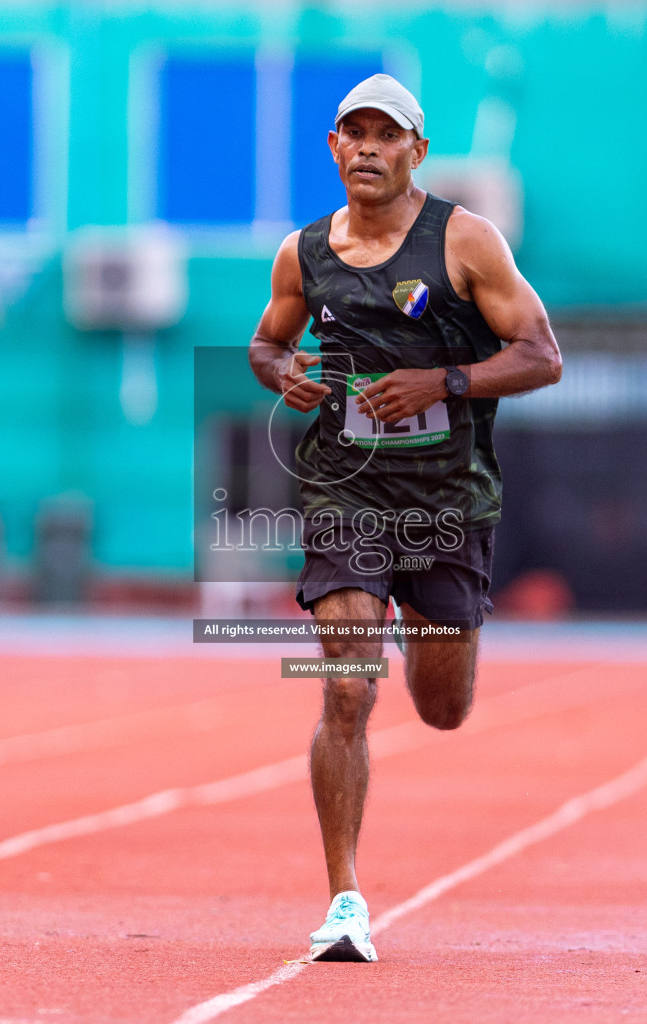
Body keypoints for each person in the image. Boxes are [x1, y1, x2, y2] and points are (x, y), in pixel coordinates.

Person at [248, 73, 561, 962]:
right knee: (347, 687)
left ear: (417, 151)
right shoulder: (303, 253)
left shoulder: (465, 241)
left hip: (447, 500)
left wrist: (443, 381)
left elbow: (542, 356)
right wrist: (286, 375)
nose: (370, 149)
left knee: (443, 707)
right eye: (356, 133)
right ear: (335, 147)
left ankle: (446, 638)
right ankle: (344, 900)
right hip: (346, 492)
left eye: (389, 135)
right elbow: (267, 342)